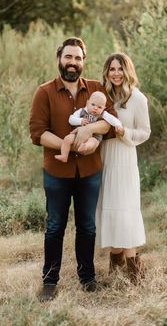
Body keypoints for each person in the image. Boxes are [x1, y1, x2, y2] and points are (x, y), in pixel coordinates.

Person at [29, 37, 115, 302]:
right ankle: (50, 281)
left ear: (83, 61)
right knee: (55, 227)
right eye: (68, 57)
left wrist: (90, 130)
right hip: (57, 171)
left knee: (87, 227)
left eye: (78, 58)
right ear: (59, 58)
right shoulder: (44, 91)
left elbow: (110, 122)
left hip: (90, 172)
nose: (73, 63)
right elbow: (37, 133)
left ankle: (87, 277)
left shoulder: (97, 89)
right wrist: (75, 147)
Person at [96, 52, 151, 285]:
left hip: (125, 159)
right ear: (107, 72)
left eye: (120, 68)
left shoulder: (137, 98)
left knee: (126, 211)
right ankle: (115, 264)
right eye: (112, 69)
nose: (116, 73)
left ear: (127, 71)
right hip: (105, 160)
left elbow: (145, 132)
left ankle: (134, 272)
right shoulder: (104, 97)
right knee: (109, 208)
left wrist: (124, 133)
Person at [55, 91, 122, 162]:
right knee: (67, 139)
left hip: (95, 136)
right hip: (78, 134)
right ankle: (64, 155)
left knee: (92, 143)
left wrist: (118, 125)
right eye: (93, 104)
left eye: (99, 107)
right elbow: (71, 119)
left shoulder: (103, 114)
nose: (95, 108)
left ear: (103, 108)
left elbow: (112, 119)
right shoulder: (81, 111)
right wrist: (80, 121)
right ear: (87, 103)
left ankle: (85, 147)